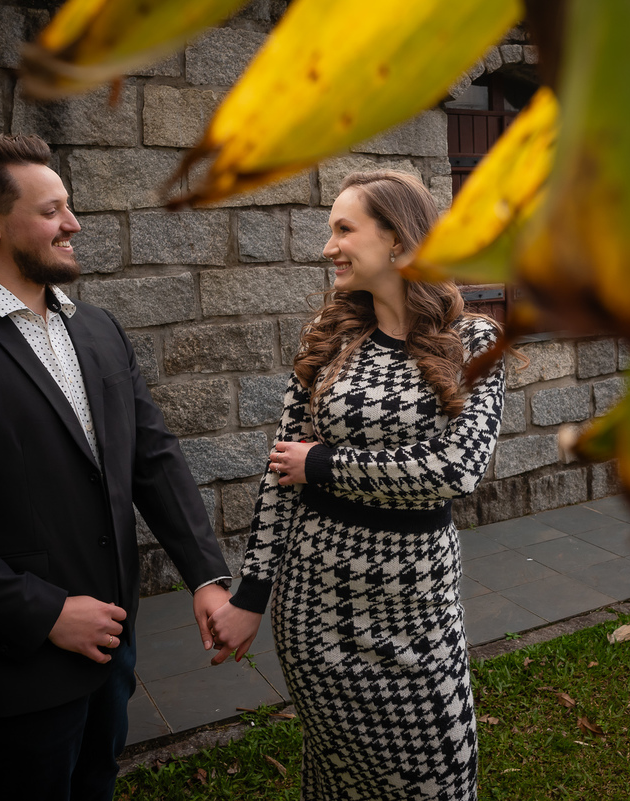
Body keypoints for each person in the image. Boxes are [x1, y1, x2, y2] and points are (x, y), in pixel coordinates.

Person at [0, 133, 233, 801]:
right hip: (16, 675)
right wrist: (47, 612)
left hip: (114, 657)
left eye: (69, 206)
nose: (74, 223)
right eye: (53, 209)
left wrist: (205, 573)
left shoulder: (100, 329)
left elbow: (153, 457)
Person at [208, 170, 506, 800]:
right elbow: (279, 474)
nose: (328, 246)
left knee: (439, 781)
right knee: (338, 781)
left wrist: (325, 465)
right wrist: (251, 595)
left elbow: (458, 468)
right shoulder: (331, 338)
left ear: (398, 240)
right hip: (316, 602)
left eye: (344, 229)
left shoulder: (473, 339)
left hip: (419, 604)